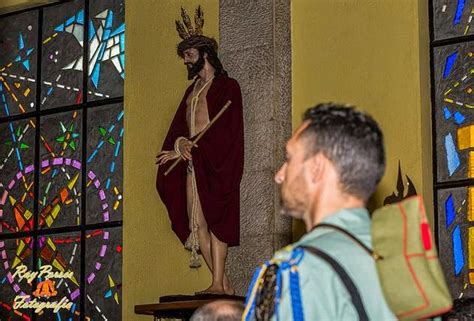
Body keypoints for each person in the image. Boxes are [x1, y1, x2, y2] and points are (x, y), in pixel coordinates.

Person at [243, 103, 396, 320]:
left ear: (317, 168)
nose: (279, 175)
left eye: (288, 159)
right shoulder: (405, 257)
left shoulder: (299, 269)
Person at [156, 6, 244, 295]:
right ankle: (224, 284)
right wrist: (180, 144)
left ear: (205, 54)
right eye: (184, 56)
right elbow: (179, 129)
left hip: (216, 163)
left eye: (189, 55)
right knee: (197, 224)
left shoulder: (227, 88)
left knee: (216, 219)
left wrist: (201, 148)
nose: (185, 61)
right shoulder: (191, 92)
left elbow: (229, 131)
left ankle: (218, 283)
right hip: (194, 163)